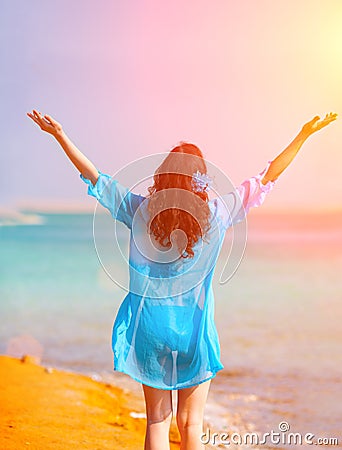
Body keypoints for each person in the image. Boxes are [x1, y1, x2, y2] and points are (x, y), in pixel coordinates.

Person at [27, 110, 337, 450]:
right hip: (195, 329)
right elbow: (266, 177)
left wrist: (60, 136)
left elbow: (96, 178)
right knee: (191, 424)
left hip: (149, 329)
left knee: (157, 422)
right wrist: (303, 135)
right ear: (199, 180)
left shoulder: (141, 211)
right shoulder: (218, 213)